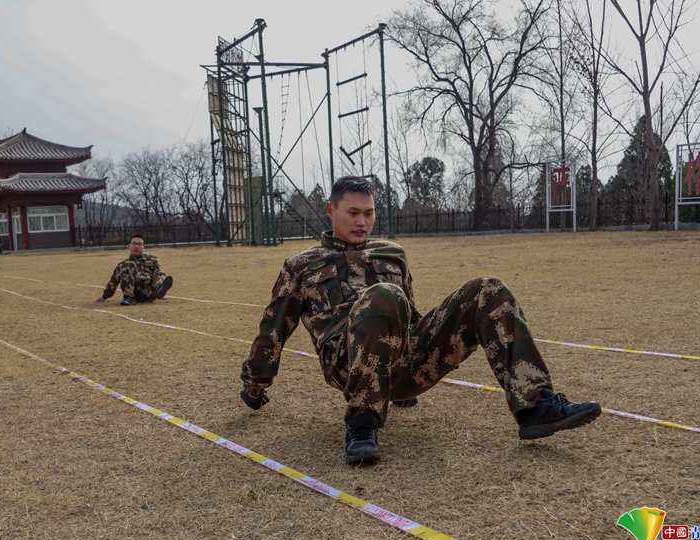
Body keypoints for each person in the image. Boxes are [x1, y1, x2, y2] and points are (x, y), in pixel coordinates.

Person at [240, 176, 601, 465]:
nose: (362, 221)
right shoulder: (301, 266)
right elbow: (273, 331)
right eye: (352, 213)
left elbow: (409, 314)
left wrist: (403, 375)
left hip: (407, 363)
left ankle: (535, 405)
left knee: (489, 290)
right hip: (345, 363)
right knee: (384, 294)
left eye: (369, 213)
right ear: (330, 210)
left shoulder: (392, 254)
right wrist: (255, 385)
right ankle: (362, 425)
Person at [96, 234, 173, 306]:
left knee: (159, 272)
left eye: (139, 244)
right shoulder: (123, 265)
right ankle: (129, 298)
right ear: (129, 246)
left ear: (143, 247)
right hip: (135, 292)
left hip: (149, 291)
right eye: (134, 244)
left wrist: (161, 290)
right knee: (129, 265)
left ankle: (160, 290)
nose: (136, 247)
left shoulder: (151, 260)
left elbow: (157, 276)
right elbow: (113, 281)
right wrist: (104, 296)